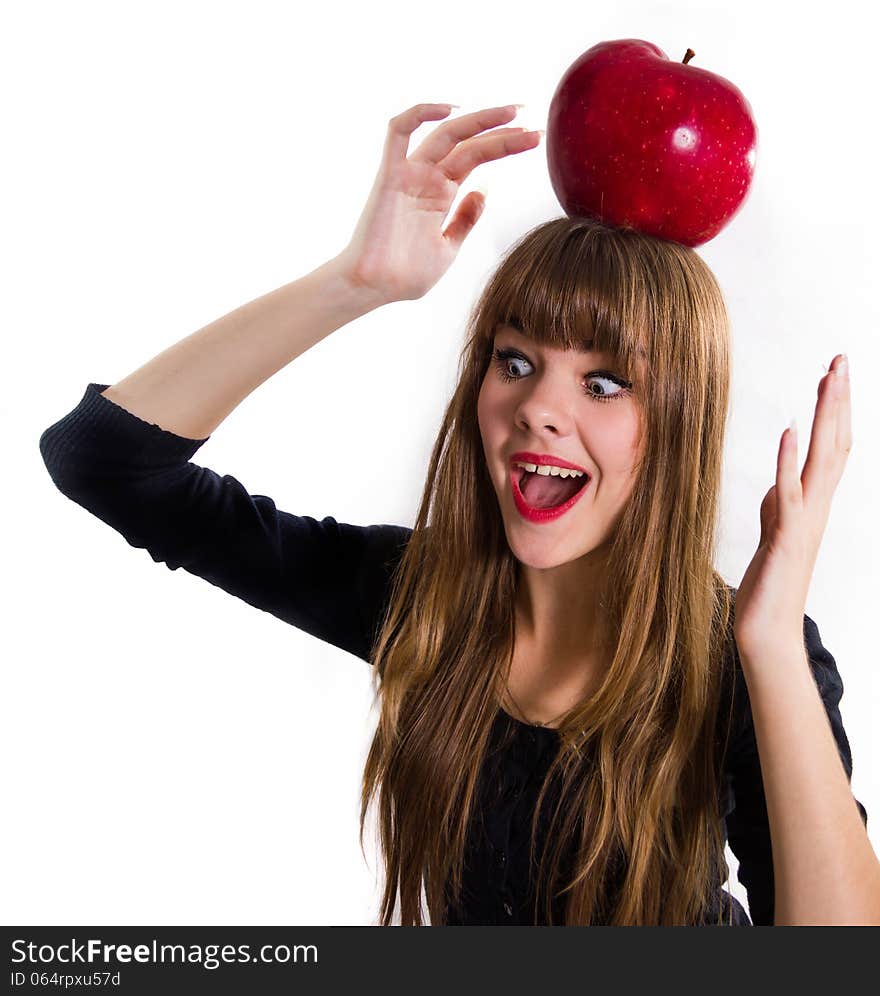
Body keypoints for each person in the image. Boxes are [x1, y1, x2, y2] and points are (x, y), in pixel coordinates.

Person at [39, 102, 868, 926]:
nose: (538, 407)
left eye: (605, 382)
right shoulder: (423, 598)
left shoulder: (744, 660)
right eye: (515, 361)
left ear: (679, 426)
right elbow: (106, 463)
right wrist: (352, 284)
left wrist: (768, 648)